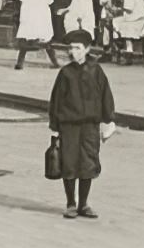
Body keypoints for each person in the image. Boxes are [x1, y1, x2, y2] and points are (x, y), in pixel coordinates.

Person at [48, 29, 116, 219]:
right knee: (69, 163)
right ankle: (71, 203)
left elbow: (106, 96)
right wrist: (54, 127)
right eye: (71, 48)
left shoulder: (96, 71)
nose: (73, 52)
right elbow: (56, 101)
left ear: (86, 49)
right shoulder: (65, 73)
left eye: (78, 48)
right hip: (69, 126)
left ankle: (84, 204)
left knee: (88, 163)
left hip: (90, 126)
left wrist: (108, 119)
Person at [12, 0, 58, 70]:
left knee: (45, 41)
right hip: (29, 17)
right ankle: (20, 63)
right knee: (25, 40)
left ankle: (55, 62)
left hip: (40, 17)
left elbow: (50, 1)